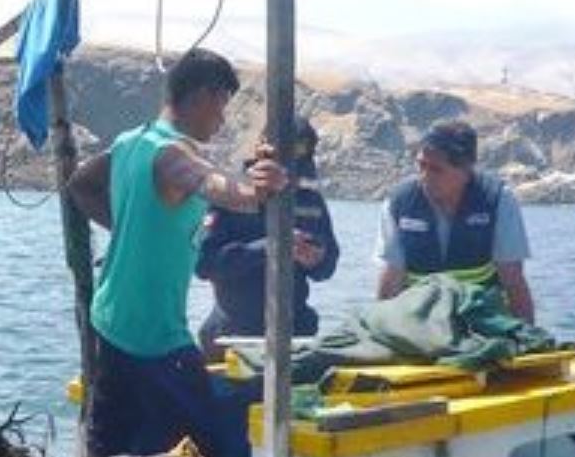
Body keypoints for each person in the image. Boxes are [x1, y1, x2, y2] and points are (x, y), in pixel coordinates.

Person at [66, 48, 286, 457]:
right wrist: (255, 191)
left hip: (109, 322)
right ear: (202, 96)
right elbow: (214, 185)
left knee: (109, 450)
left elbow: (80, 185)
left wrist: (131, 227)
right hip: (154, 335)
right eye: (221, 105)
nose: (221, 120)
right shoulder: (172, 155)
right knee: (211, 446)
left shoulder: (132, 141)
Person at [194, 116, 340, 354]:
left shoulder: (309, 199)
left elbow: (328, 265)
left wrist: (316, 258)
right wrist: (268, 248)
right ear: (263, 149)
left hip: (296, 335)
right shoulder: (231, 192)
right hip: (232, 336)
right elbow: (204, 264)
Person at [375, 120, 536, 323]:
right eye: (421, 165)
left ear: (466, 169)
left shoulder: (498, 200)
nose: (425, 176)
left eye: (436, 169)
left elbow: (513, 281)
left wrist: (528, 336)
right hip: (419, 320)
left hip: (480, 318)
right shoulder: (397, 202)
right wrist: (381, 329)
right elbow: (390, 280)